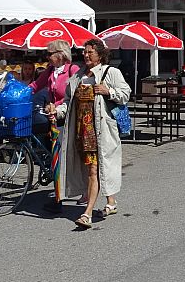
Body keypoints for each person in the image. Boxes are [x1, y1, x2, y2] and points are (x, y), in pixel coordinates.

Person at [55, 37, 131, 229]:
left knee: (94, 170)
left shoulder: (111, 72)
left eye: (90, 51)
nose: (86, 55)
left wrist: (108, 91)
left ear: (100, 55)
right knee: (97, 169)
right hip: (82, 131)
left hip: (101, 131)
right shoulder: (77, 77)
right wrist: (55, 111)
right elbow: (67, 104)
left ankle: (87, 213)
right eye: (85, 51)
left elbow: (125, 94)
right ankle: (111, 202)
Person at [35, 40, 77, 110]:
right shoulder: (50, 70)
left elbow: (74, 94)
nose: (47, 57)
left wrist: (56, 105)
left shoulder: (73, 70)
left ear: (61, 55)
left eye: (49, 54)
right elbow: (36, 85)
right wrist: (22, 91)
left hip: (69, 114)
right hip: (54, 114)